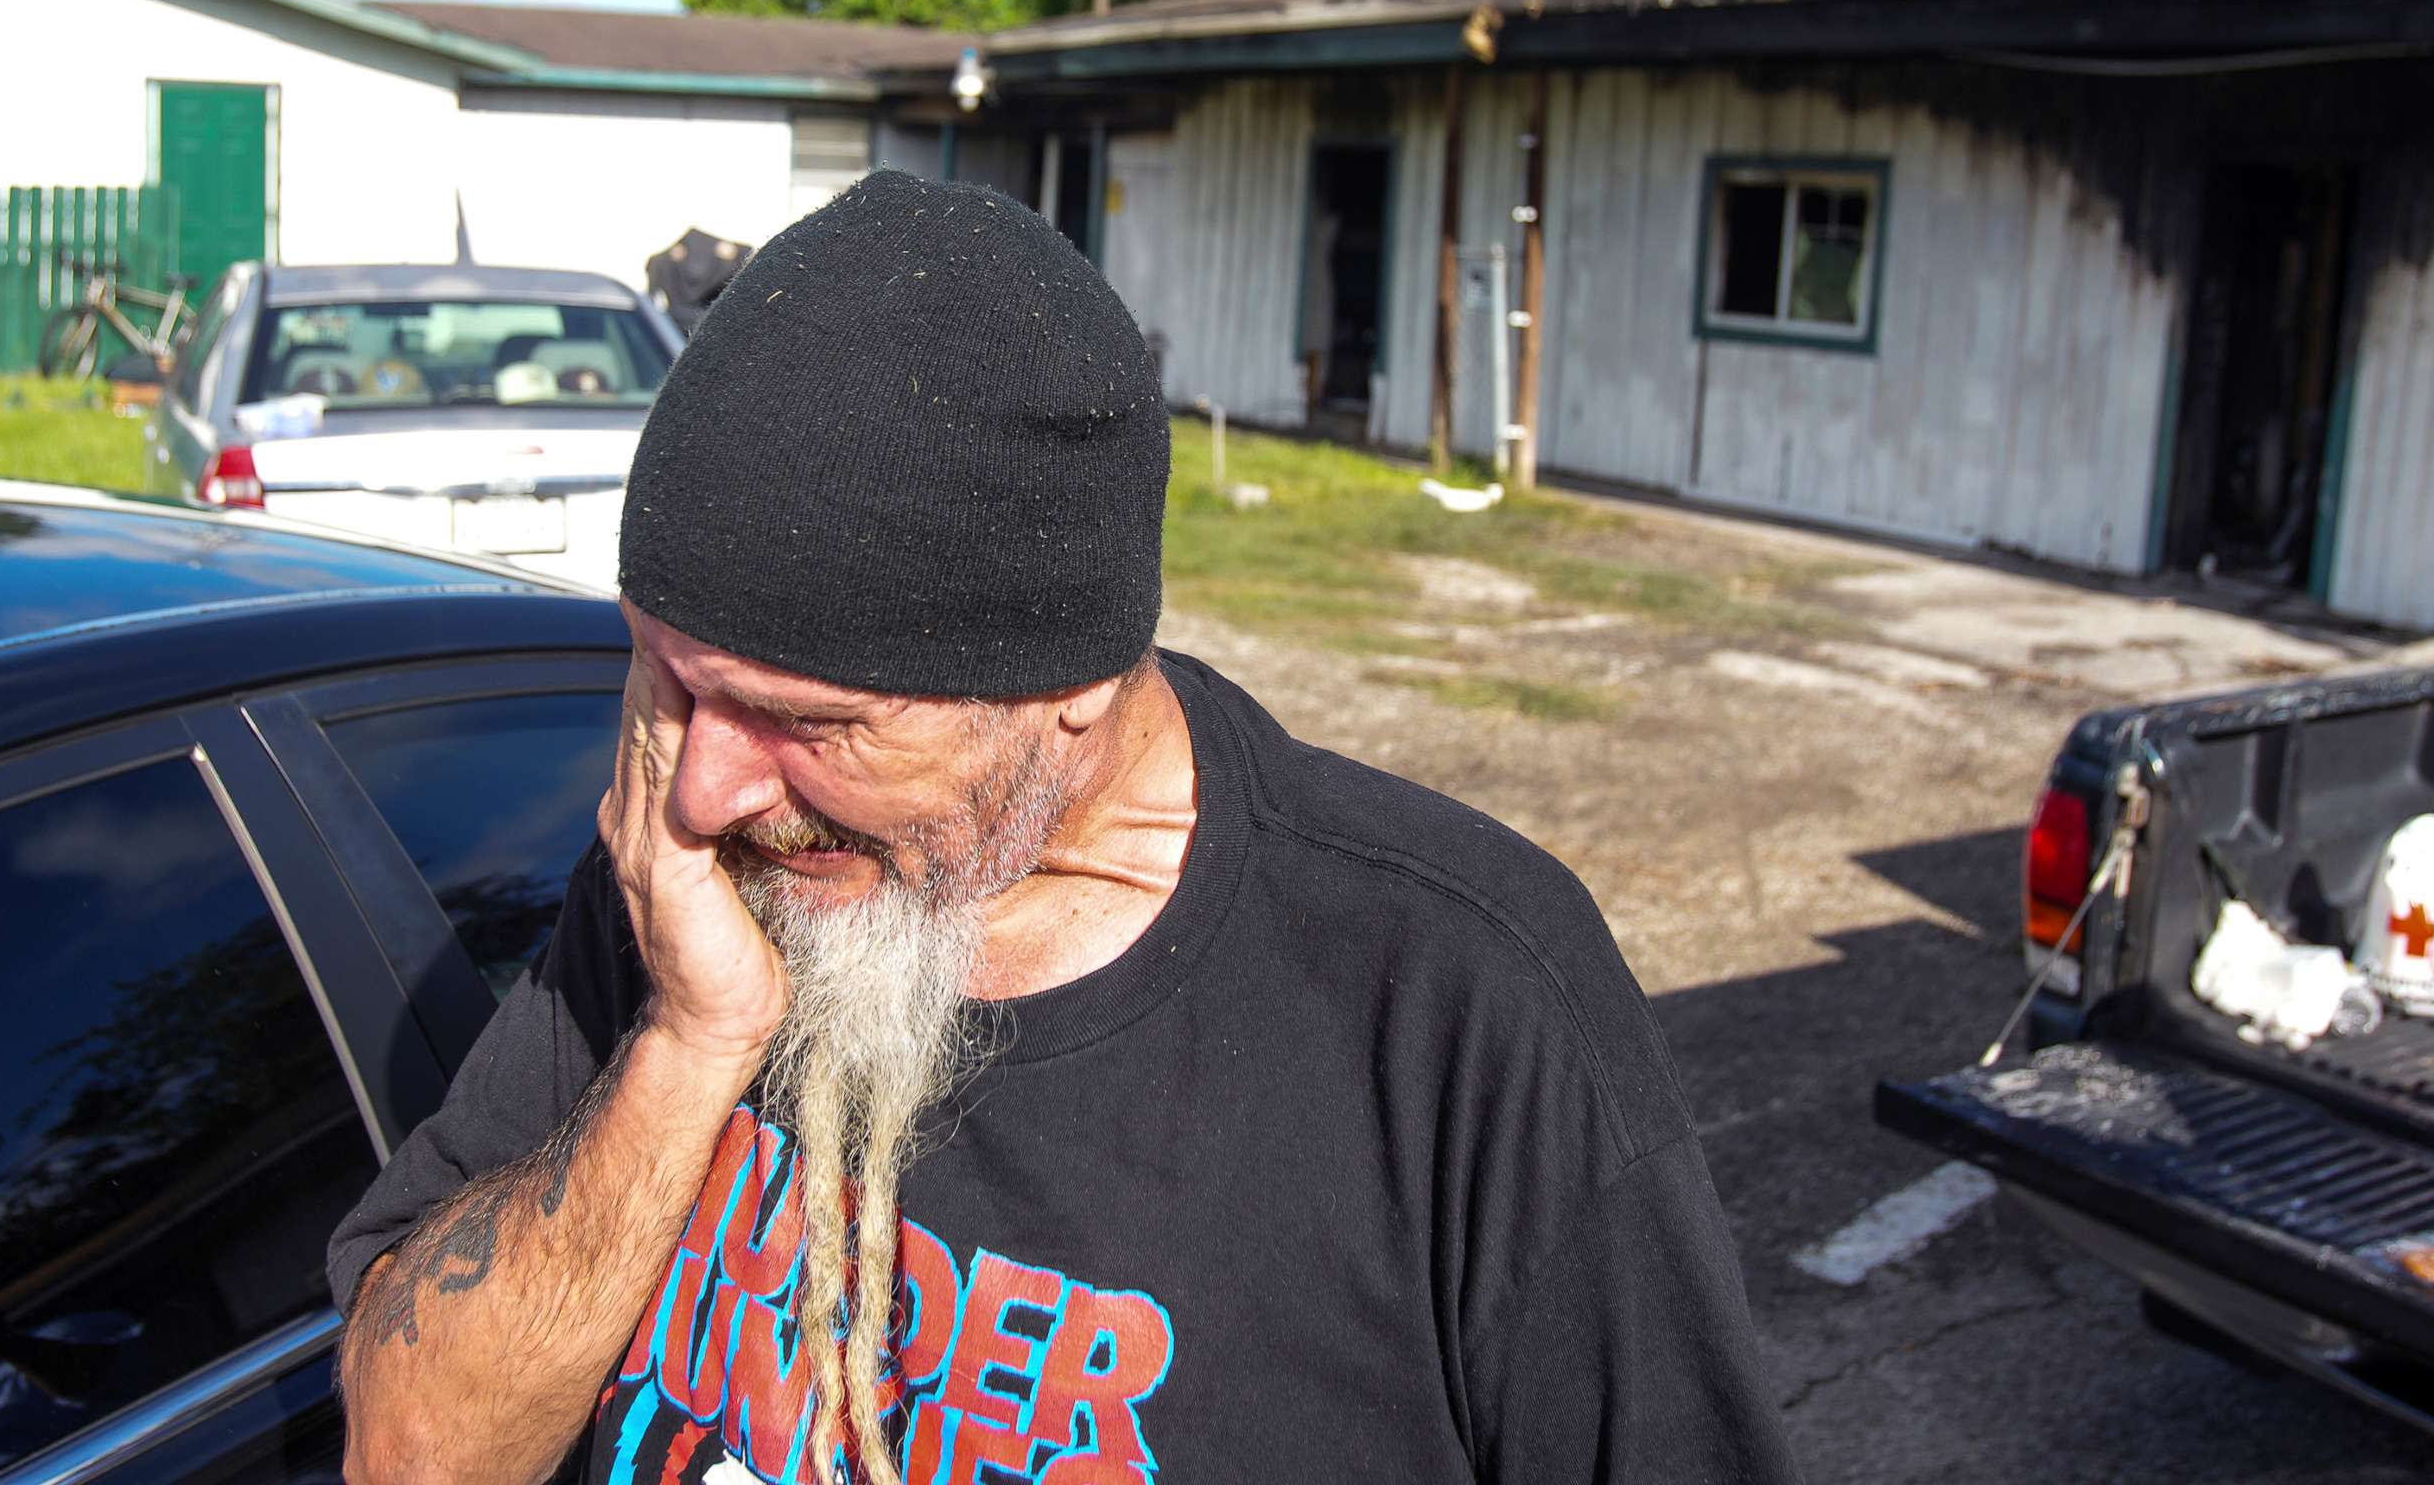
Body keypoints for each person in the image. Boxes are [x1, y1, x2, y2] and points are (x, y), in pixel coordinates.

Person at [330, 170, 1800, 1485]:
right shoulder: (703, 874)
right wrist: (687, 1044)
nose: (703, 792)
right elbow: (413, 1456)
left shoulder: (1448, 1001)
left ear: (1072, 683)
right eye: (669, 676)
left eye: (813, 722)